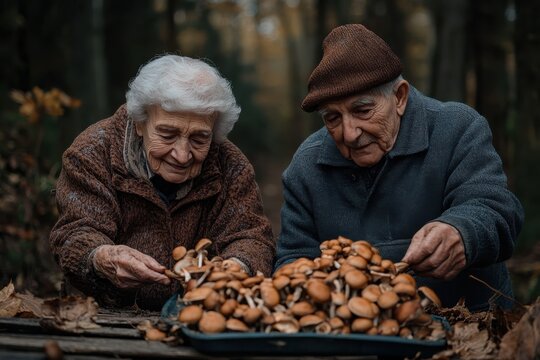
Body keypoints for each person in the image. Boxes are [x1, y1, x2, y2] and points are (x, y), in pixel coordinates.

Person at [275, 24, 524, 311]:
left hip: (472, 323)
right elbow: (293, 256)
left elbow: (497, 209)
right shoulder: (306, 166)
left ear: (400, 97)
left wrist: (462, 231)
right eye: (332, 118)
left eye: (362, 110)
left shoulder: (457, 128)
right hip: (358, 337)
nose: (349, 133)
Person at [50, 54, 275, 310]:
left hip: (202, 316)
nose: (182, 154)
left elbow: (252, 238)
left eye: (199, 139)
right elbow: (75, 234)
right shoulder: (91, 153)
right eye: (167, 134)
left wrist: (236, 265)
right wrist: (101, 257)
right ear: (139, 124)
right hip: (102, 315)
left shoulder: (232, 166)